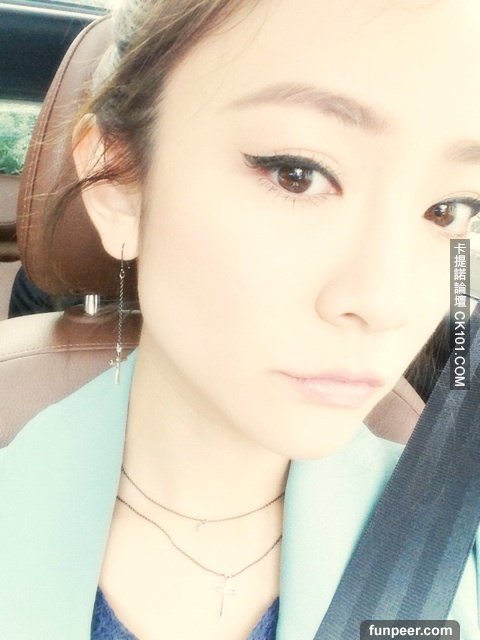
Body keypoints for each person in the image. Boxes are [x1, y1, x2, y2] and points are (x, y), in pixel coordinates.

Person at [1, 0, 480, 638]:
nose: (387, 304)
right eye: (298, 174)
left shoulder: (452, 537)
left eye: (452, 209)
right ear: (117, 183)